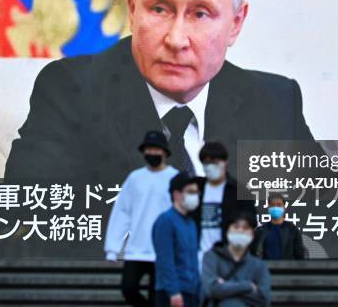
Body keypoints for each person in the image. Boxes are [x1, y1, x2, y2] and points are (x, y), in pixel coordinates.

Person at [0, 0, 316, 258]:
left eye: (200, 13)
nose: (176, 39)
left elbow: (332, 228)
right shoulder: (70, 91)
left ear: (236, 23)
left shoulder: (275, 101)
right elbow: (29, 237)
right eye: (160, 8)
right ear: (133, 8)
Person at [104, 130, 179, 307]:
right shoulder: (135, 178)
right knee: (128, 289)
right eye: (149, 149)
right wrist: (113, 248)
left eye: (156, 149)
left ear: (165, 152)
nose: (152, 153)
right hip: (136, 249)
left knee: (158, 296)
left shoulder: (174, 178)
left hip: (163, 251)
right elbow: (122, 212)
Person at [192, 141, 256, 263]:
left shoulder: (238, 191)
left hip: (229, 258)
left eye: (215, 162)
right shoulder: (196, 188)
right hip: (198, 257)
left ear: (225, 162)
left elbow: (251, 224)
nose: (211, 166)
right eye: (206, 163)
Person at [152, 172, 203, 307]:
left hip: (191, 291)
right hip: (172, 294)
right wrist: (174, 292)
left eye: (196, 192)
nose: (195, 196)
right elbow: (165, 260)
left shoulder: (191, 223)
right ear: (176, 195)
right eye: (190, 192)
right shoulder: (166, 221)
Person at [202, 211, 270, 307]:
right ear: (227, 231)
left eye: (245, 228)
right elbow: (211, 290)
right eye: (236, 227)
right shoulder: (212, 257)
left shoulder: (259, 266)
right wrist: (248, 286)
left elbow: (264, 299)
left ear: (252, 234)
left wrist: (224, 288)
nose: (240, 230)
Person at [254, 195, 306, 260]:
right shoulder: (261, 230)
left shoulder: (292, 229)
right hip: (265, 268)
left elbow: (299, 254)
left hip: (288, 268)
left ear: (284, 208)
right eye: (272, 205)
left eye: (279, 205)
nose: (275, 207)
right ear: (268, 208)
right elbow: (254, 253)